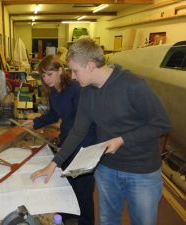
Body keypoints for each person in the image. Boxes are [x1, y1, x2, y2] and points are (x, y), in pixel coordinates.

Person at [30, 38, 170, 225]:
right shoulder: (87, 92)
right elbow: (78, 131)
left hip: (141, 171)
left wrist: (123, 139)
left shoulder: (133, 85)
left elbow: (161, 123)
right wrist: (54, 163)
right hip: (107, 168)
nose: (72, 76)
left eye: (74, 71)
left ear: (89, 66)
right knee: (107, 220)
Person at [22, 54, 96, 225]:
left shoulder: (77, 89)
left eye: (49, 74)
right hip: (67, 141)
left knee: (83, 188)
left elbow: (83, 124)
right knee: (67, 184)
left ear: (61, 70)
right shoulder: (54, 91)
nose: (46, 79)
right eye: (43, 75)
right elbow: (54, 114)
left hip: (85, 144)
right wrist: (34, 122)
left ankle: (85, 221)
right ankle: (68, 214)